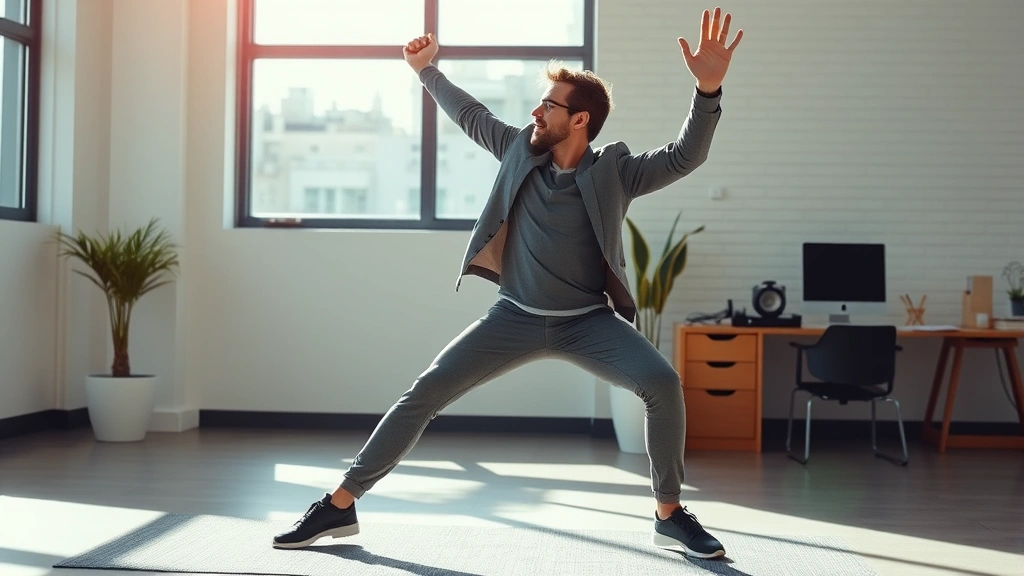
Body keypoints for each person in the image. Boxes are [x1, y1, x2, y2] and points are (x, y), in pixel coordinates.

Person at [273, 6, 743, 559]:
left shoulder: (616, 171)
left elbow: (686, 156)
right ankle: (340, 504)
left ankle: (669, 513)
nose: (536, 113)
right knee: (422, 395)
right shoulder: (521, 150)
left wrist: (707, 91)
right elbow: (471, 116)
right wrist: (427, 72)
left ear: (581, 120)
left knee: (661, 385)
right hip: (514, 317)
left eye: (549, 105)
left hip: (588, 323)